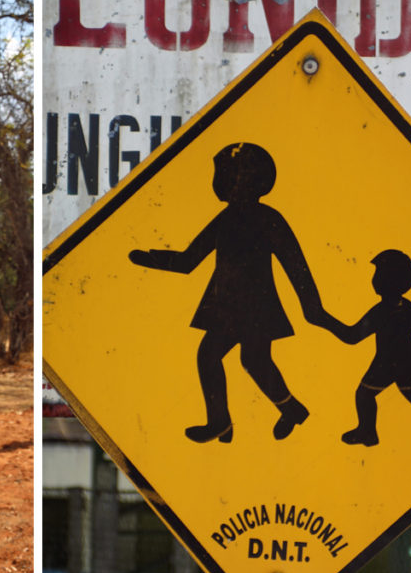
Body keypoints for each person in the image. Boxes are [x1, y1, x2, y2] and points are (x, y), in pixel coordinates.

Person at [129, 142, 339, 443]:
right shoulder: (225, 218)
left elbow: (296, 266)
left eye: (227, 175)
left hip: (256, 306)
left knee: (247, 359)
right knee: (222, 356)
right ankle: (244, 418)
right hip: (226, 304)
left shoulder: (269, 218)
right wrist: (151, 258)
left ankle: (273, 412)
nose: (222, 182)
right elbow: (190, 260)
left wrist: (313, 309)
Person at [332, 249, 411, 447]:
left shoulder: (383, 311)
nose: (374, 279)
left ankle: (368, 431)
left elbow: (353, 336)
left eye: (378, 274)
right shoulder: (404, 305)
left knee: (365, 393)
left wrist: (325, 320)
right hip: (403, 360)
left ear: (388, 280)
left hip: (389, 362)